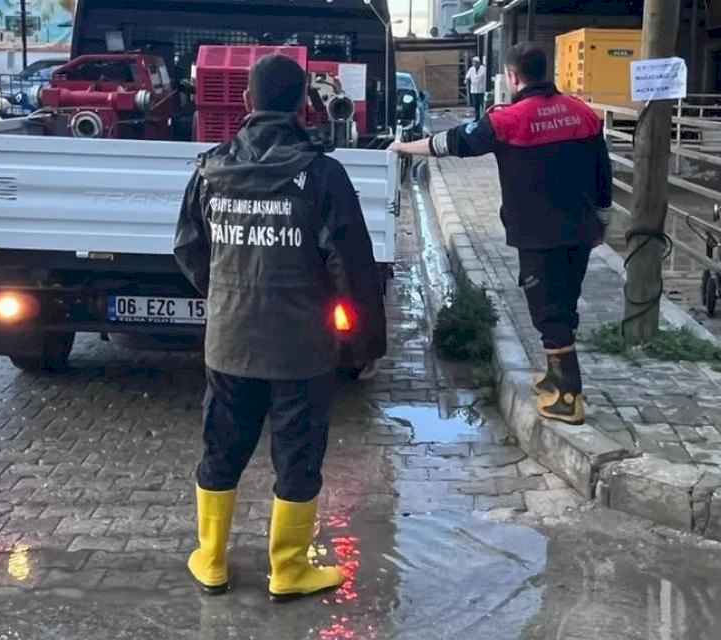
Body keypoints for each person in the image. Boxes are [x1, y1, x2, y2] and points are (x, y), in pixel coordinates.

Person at [174, 54, 385, 601]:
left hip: (229, 342)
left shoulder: (210, 170)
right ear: (303, 106)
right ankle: (289, 569)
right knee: (297, 455)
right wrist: (363, 340)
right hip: (301, 347)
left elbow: (189, 249)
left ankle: (211, 560)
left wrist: (228, 295)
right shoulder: (323, 176)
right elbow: (351, 265)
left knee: (221, 448)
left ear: (247, 102)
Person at [391, 43, 612, 425]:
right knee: (564, 304)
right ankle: (555, 376)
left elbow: (451, 143)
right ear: (545, 70)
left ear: (512, 76)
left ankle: (568, 397)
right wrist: (603, 221)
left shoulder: (508, 120)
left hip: (538, 234)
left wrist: (403, 146)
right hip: (581, 230)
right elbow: (603, 172)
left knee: (548, 311)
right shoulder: (582, 113)